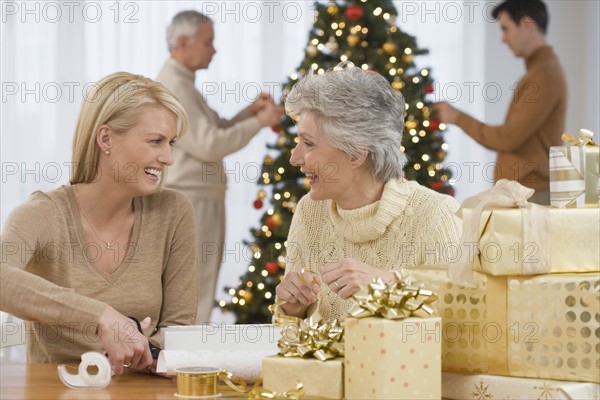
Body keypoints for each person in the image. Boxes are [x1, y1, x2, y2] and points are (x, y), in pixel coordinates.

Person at [0, 72, 198, 375]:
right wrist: (101, 317)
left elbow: (179, 329)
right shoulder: (42, 214)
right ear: (105, 138)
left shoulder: (173, 213)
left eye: (170, 142)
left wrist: (144, 347)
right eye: (155, 141)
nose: (168, 158)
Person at [274, 64, 462, 321]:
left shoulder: (435, 215)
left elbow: (458, 324)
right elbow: (292, 344)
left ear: (355, 154)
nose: (295, 158)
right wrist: (292, 310)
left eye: (308, 143)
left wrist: (388, 285)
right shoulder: (310, 210)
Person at [156, 11, 285, 323]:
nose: (214, 50)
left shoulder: (182, 84)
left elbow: (211, 128)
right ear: (184, 42)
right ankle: (186, 361)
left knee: (198, 281)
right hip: (193, 197)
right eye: (208, 42)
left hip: (198, 195)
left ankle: (186, 356)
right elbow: (209, 144)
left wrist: (248, 113)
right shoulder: (175, 86)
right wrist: (259, 121)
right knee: (195, 283)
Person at [433, 0, 567, 205]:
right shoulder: (540, 72)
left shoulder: (543, 75)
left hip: (532, 196)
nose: (503, 39)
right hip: (527, 193)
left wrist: (458, 117)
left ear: (527, 24)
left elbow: (507, 138)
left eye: (505, 29)